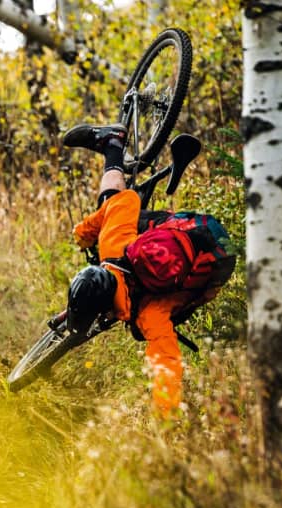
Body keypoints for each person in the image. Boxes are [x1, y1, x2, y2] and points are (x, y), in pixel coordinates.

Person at [61, 122, 215, 417]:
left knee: (112, 199)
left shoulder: (149, 314)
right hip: (197, 239)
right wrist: (87, 231)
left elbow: (168, 359)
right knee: (114, 205)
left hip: (211, 266)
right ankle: (117, 150)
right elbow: (126, 201)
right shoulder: (113, 248)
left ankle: (111, 142)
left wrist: (166, 415)